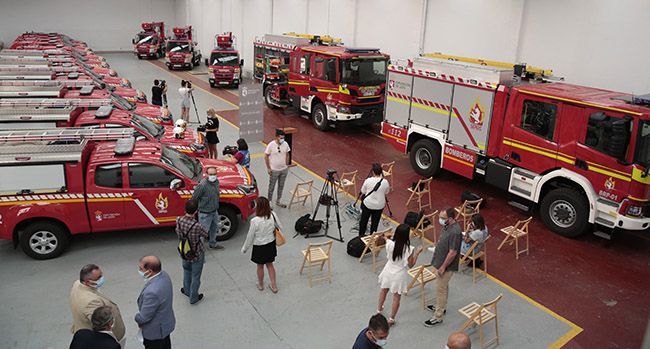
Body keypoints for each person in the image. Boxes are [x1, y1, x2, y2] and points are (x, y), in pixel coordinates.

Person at [377, 224, 424, 326]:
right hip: (399, 274)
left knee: (383, 290)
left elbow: (385, 238)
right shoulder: (409, 249)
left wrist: (386, 236)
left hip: (388, 270)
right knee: (396, 297)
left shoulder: (389, 244)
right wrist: (417, 253)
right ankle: (391, 318)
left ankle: (379, 309)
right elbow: (411, 265)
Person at [69, 264, 126, 347]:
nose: (102, 278)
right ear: (87, 281)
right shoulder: (91, 302)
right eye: (99, 278)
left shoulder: (77, 283)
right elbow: (102, 324)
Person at [424, 208, 463, 327]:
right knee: (444, 287)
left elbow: (452, 253)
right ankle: (442, 307)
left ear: (451, 219)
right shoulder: (447, 226)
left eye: (443, 218)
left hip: (446, 266)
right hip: (440, 262)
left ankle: (438, 316)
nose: (440, 220)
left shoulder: (455, 232)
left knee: (440, 290)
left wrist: (443, 267)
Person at [241, 197, 281, 293]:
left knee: (260, 266)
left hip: (259, 246)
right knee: (270, 265)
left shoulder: (255, 221)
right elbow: (280, 226)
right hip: (270, 244)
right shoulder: (273, 215)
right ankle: (274, 286)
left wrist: (244, 248)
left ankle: (260, 284)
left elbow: (250, 236)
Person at [135, 256, 176, 349]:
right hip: (165, 325)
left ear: (149, 272)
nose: (139, 270)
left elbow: (144, 317)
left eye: (141, 268)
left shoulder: (152, 292)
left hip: (155, 332)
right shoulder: (164, 275)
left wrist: (136, 317)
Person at [176, 199, 208, 304]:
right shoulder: (197, 226)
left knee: (186, 270)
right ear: (196, 211)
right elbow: (205, 234)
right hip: (196, 253)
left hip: (184, 251)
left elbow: (178, 232)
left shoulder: (179, 220)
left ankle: (186, 290)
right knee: (196, 276)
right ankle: (193, 297)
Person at [191, 166, 223, 250]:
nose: (213, 176)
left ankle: (213, 243)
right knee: (203, 232)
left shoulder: (216, 182)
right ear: (207, 174)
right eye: (211, 174)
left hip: (214, 211)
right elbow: (194, 198)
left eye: (214, 174)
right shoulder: (202, 185)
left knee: (214, 229)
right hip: (205, 214)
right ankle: (199, 249)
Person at [358, 163, 390, 237]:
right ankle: (372, 238)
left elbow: (363, 191)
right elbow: (387, 192)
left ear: (373, 172)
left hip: (368, 205)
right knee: (375, 223)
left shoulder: (368, 180)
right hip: (379, 206)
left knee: (363, 221)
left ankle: (361, 236)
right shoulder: (385, 182)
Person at [264, 129, 291, 208]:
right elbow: (266, 156)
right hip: (274, 170)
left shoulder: (285, 144)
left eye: (283, 138)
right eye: (280, 138)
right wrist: (268, 168)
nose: (282, 139)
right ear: (276, 137)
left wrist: (287, 164)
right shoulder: (271, 145)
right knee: (271, 186)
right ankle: (269, 202)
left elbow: (287, 154)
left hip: (284, 170)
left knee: (281, 186)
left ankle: (278, 201)